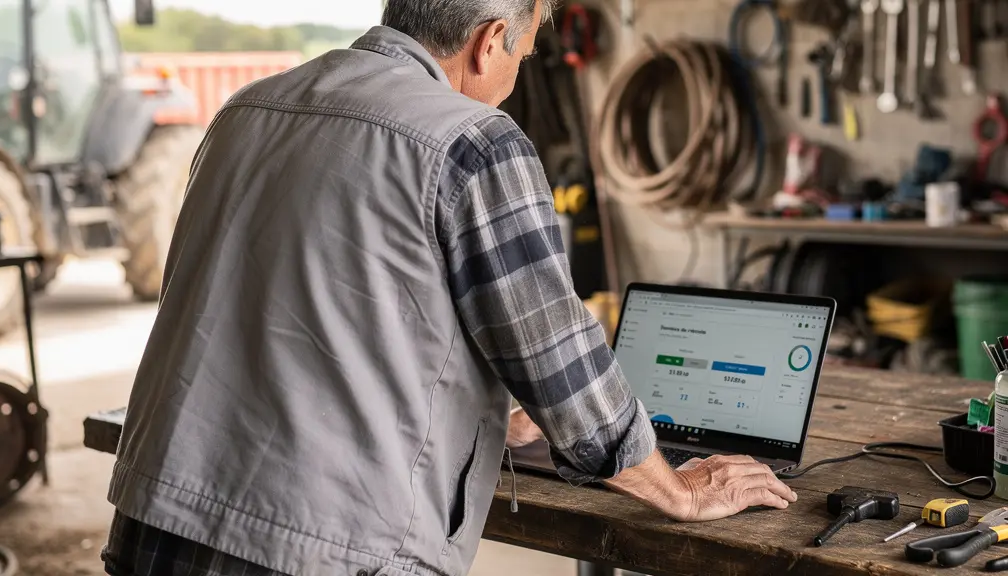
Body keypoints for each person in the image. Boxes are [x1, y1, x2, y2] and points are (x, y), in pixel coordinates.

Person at [100, 1, 798, 575]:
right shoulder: (474, 141)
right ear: (490, 41)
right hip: (320, 549)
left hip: (157, 522)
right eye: (522, 59)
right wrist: (676, 490)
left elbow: (295, 305)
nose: (514, 80)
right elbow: (559, 365)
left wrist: (484, 406)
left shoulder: (246, 112)